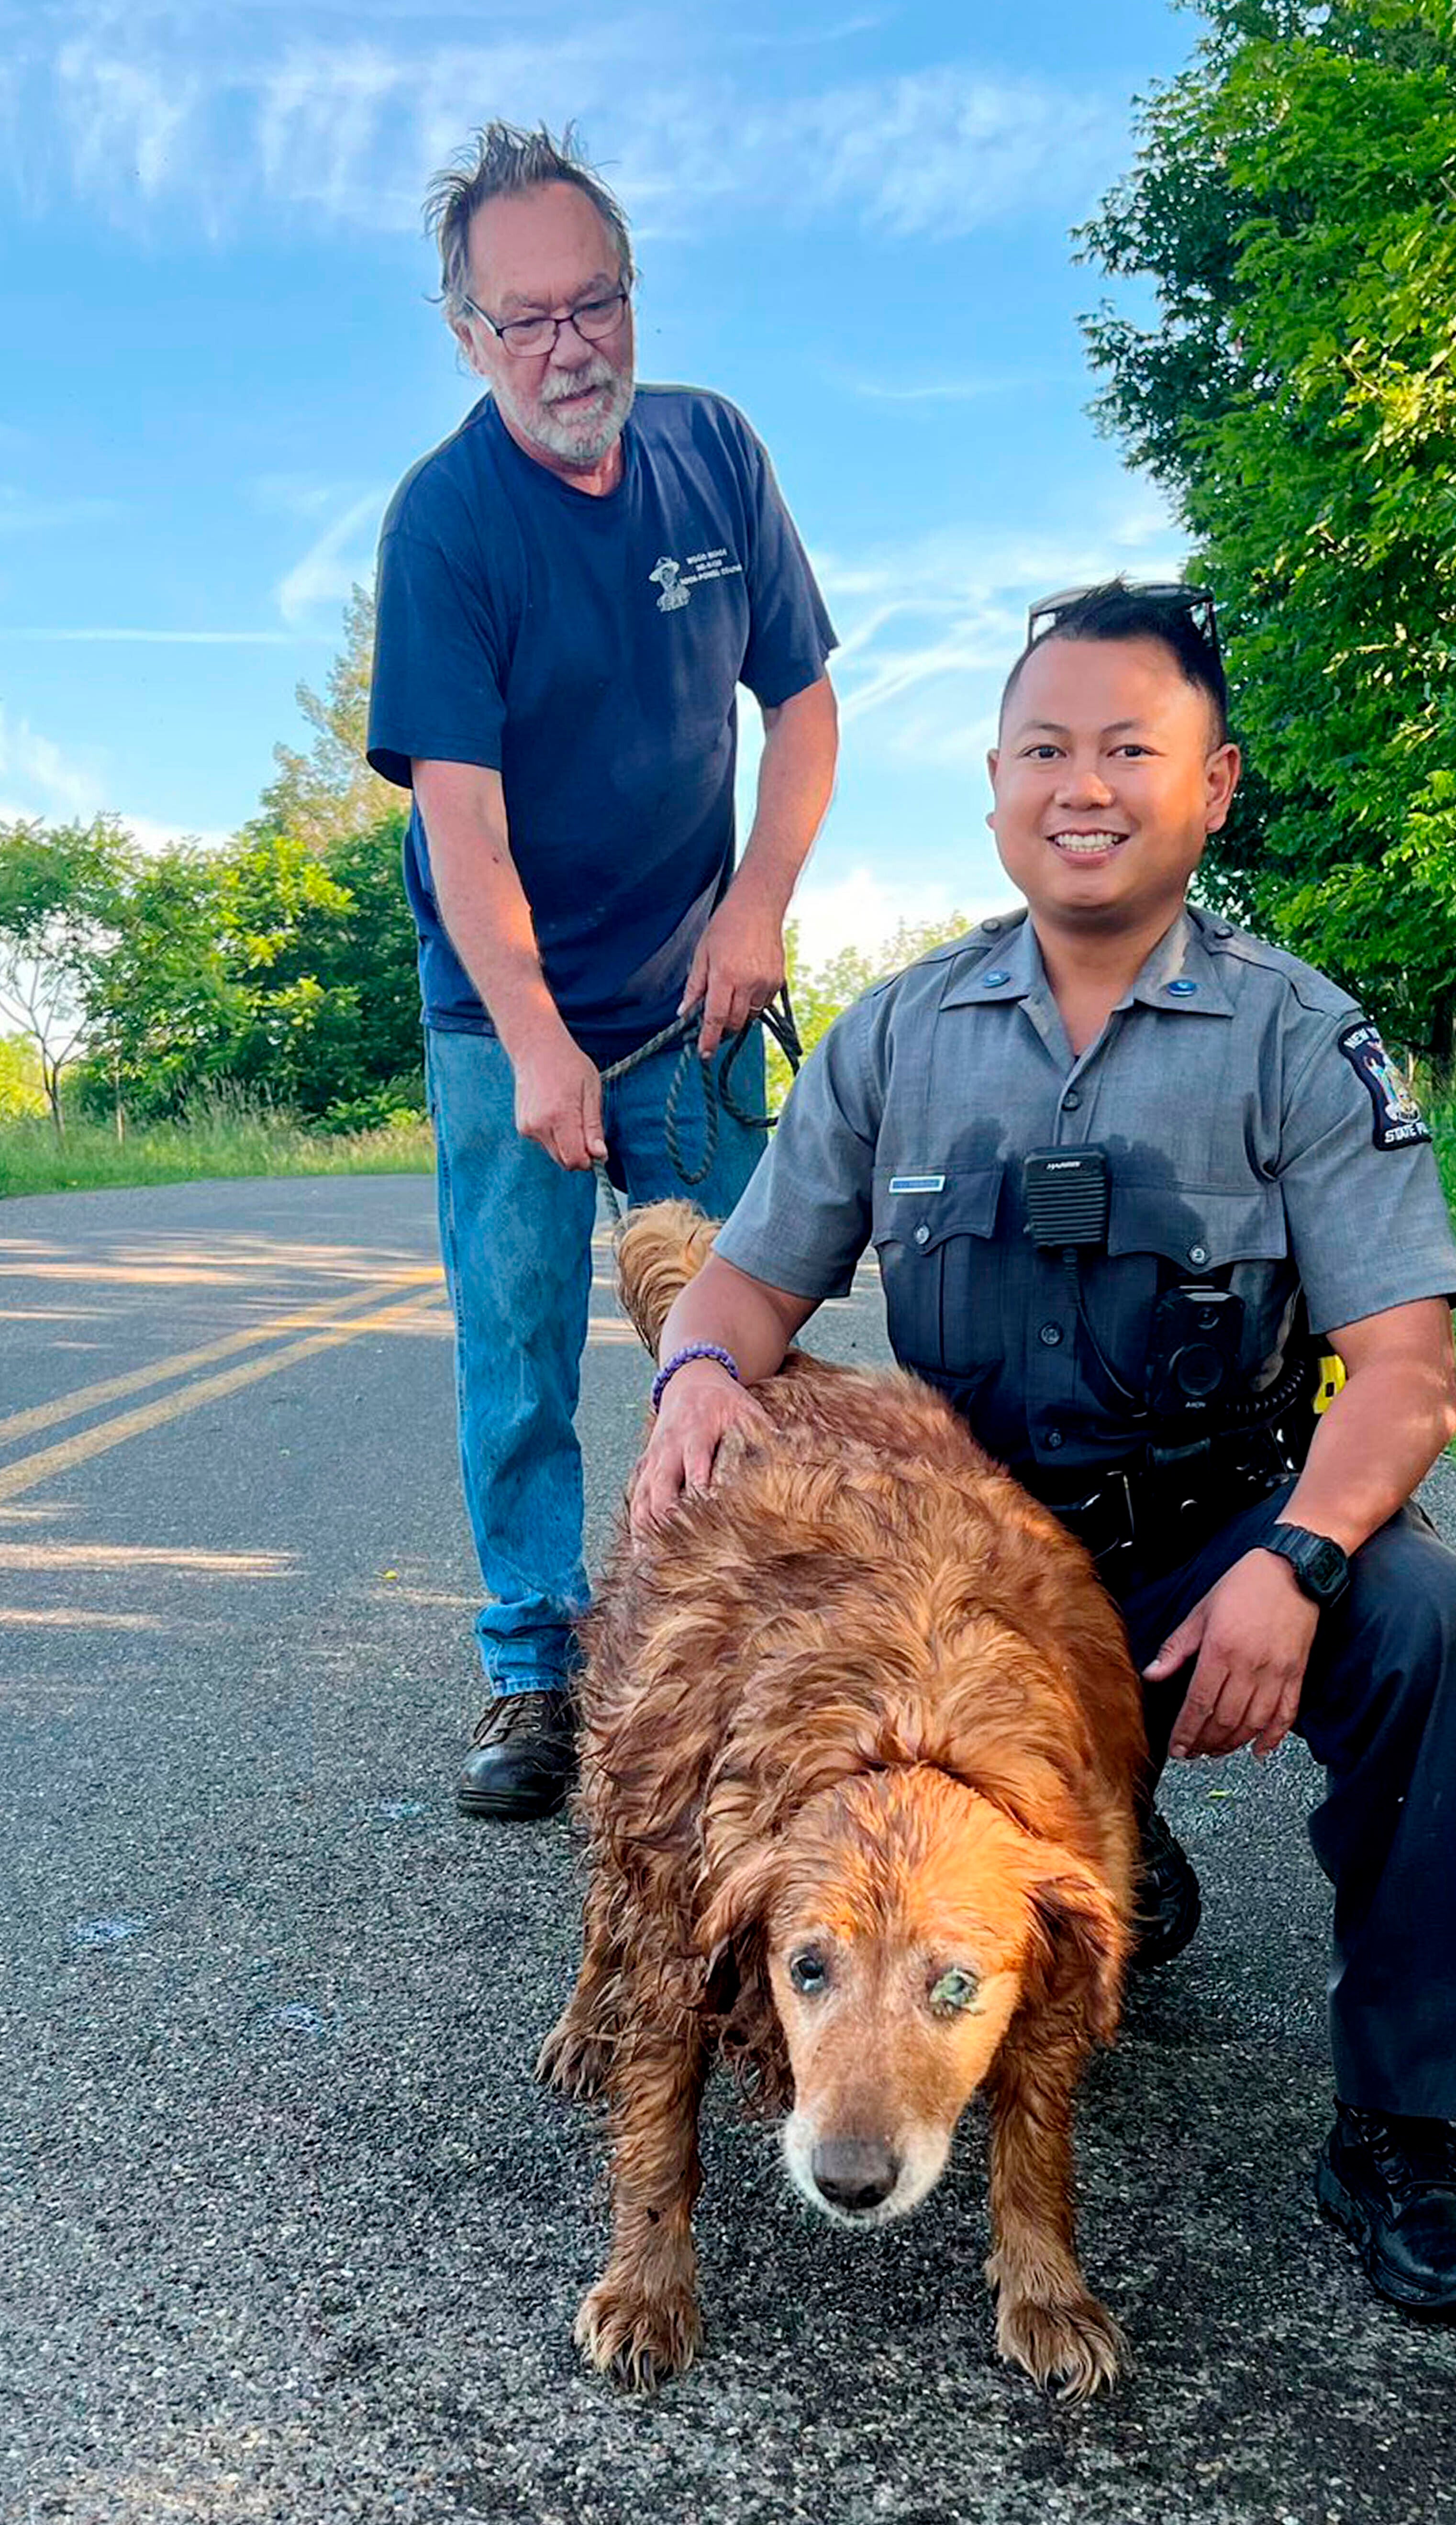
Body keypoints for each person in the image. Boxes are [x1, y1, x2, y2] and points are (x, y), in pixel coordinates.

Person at [625, 580, 1456, 2325]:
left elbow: (1407, 1380)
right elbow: (745, 1287)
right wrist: (690, 1377)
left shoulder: (1295, 1037)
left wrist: (1302, 1562)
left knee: (1441, 1627)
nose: (1085, 784)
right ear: (993, 789)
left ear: (1215, 784)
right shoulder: (901, 1034)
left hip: (1207, 1547)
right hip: (960, 1576)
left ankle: (1402, 2127)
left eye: (1133, 746)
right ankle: (1084, 1842)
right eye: (1046, 748)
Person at [366, 123, 838, 1819]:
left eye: (598, 303)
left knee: (740, 1321)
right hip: (503, 1011)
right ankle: (530, 1669)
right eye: (526, 319)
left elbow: (803, 704)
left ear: (633, 294)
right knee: (518, 1338)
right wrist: (540, 1042)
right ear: (468, 334)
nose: (571, 348)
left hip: (696, 989)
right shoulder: (446, 526)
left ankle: (751, 1649)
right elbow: (463, 832)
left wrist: (758, 902)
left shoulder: (716, 456)